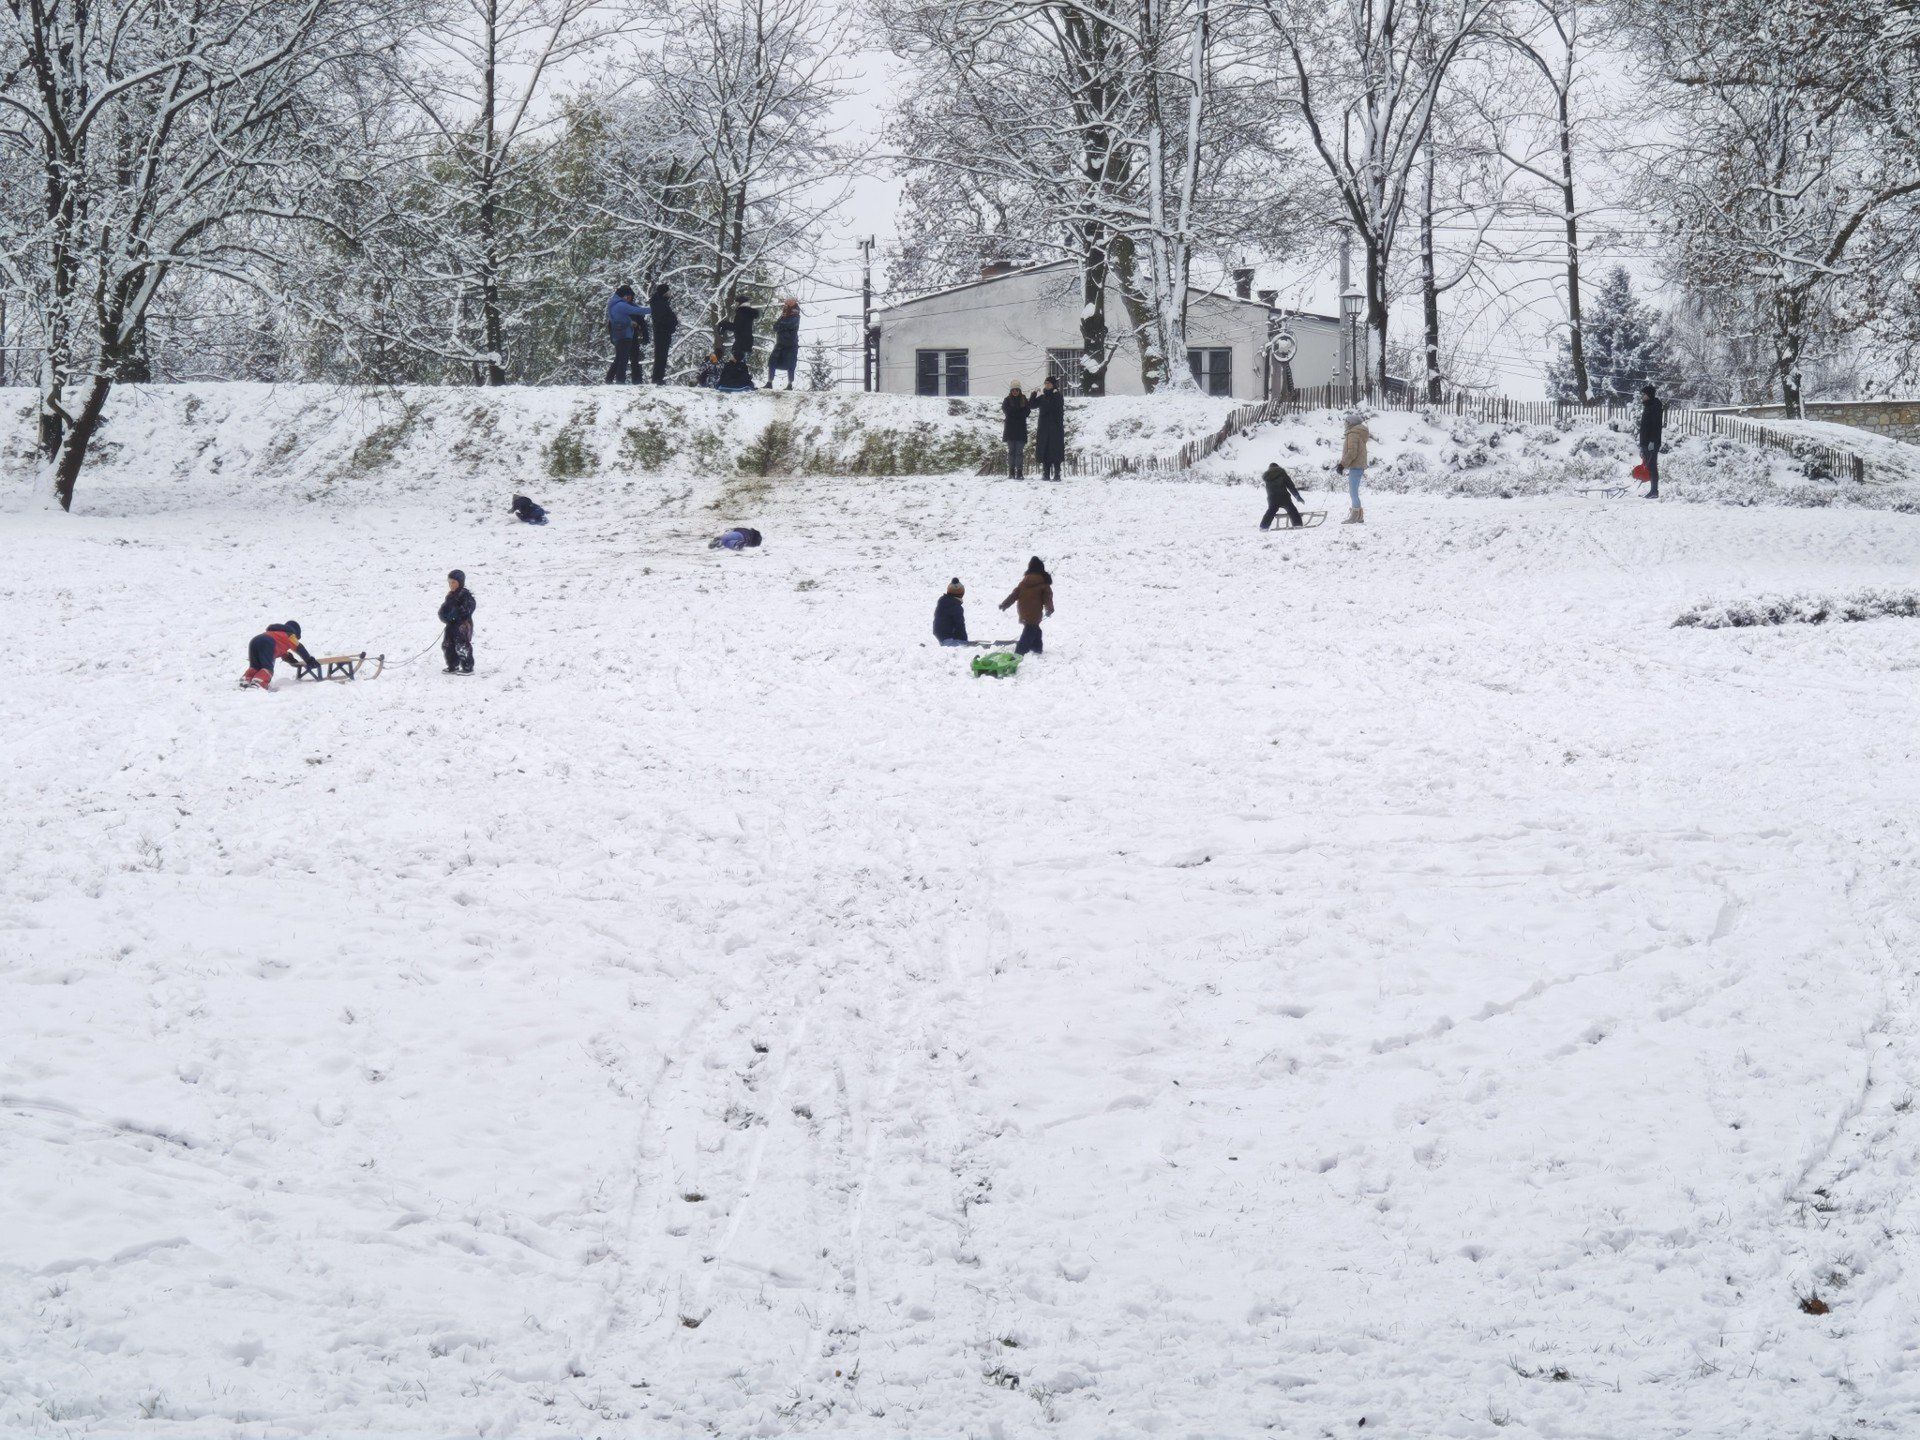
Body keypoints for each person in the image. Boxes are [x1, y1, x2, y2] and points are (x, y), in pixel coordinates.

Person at [999, 556, 1054, 655]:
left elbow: (1014, 595)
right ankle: (1019, 653)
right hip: (1035, 612)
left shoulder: (1024, 582)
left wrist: (1005, 604)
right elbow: (1048, 598)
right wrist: (1050, 609)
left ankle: (1036, 649)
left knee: (1035, 630)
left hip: (1023, 611)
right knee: (1029, 632)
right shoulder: (1043, 583)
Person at [241, 620, 318, 689]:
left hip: (255, 641)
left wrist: (291, 659)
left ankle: (245, 680)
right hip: (267, 643)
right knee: (267, 668)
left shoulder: (277, 633)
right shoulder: (290, 635)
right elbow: (299, 647)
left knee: (255, 666)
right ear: (296, 633)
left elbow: (282, 652)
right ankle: (258, 683)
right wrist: (309, 660)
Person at [605, 286, 650, 385]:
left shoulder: (616, 304)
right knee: (622, 359)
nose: (629, 299)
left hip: (623, 335)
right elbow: (639, 311)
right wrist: (654, 309)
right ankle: (619, 381)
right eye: (628, 296)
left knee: (622, 358)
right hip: (624, 335)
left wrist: (630, 323)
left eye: (630, 297)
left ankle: (611, 379)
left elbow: (617, 320)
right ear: (623, 296)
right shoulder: (621, 305)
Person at [439, 569, 476, 674]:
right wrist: (445, 616)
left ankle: (468, 667)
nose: (451, 585)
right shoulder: (450, 596)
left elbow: (469, 608)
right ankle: (452, 665)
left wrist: (458, 614)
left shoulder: (465, 595)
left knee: (462, 645)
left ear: (460, 582)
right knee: (448, 644)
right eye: (450, 582)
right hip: (451, 625)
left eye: (454, 582)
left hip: (462, 625)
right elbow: (444, 610)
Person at [1032, 376, 1066, 482]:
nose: (1047, 385)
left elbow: (1050, 407)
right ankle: (1046, 473)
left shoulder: (1058, 396)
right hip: (1044, 429)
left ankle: (1057, 474)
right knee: (1045, 450)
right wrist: (1034, 394)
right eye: (1045, 383)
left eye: (1049, 383)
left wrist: (1048, 396)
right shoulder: (1042, 397)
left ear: (1053, 385)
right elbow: (1031, 405)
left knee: (1055, 451)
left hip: (1056, 429)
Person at [1338, 410, 1370, 524]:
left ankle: (1355, 516)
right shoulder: (1358, 433)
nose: (1345, 424)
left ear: (1350, 423)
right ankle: (1359, 516)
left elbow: (1352, 452)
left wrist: (1342, 464)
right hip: (1358, 465)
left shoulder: (1353, 433)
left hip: (1356, 465)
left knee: (1353, 492)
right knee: (1354, 491)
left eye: (1346, 422)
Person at [649, 282, 678, 385]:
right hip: (662, 333)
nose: (670, 293)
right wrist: (672, 323)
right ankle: (657, 378)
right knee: (661, 356)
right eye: (668, 291)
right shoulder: (659, 303)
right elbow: (663, 319)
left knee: (662, 356)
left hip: (663, 332)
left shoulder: (660, 302)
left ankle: (658, 377)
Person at [1638, 383, 1664, 499]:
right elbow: (1644, 427)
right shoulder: (1648, 406)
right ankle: (1652, 490)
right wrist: (1642, 444)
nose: (1642, 396)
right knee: (1649, 466)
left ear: (1649, 395)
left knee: (1652, 466)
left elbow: (1655, 426)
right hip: (1645, 442)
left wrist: (1652, 441)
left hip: (1651, 443)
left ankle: (1654, 491)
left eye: (1644, 394)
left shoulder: (1655, 407)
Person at [1260, 461, 1305, 529]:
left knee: (1271, 511)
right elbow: (1291, 486)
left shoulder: (1267, 477)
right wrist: (1297, 496)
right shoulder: (1282, 474)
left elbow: (1268, 490)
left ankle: (1263, 526)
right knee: (1292, 510)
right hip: (1284, 497)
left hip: (1272, 498)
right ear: (1278, 467)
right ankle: (1297, 524)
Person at [768, 299, 801, 390]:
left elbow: (790, 325)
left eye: (788, 302)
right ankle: (769, 382)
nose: (786, 304)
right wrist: (782, 325)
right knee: (772, 362)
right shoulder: (783, 315)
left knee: (791, 365)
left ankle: (790, 384)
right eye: (786, 303)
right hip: (780, 343)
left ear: (793, 303)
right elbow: (775, 327)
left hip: (791, 344)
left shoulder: (796, 315)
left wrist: (781, 325)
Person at [1001, 383, 1031, 478]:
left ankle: (1019, 472)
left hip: (1021, 430)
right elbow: (1006, 411)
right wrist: (1018, 412)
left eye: (1016, 390)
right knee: (1011, 452)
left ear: (1019, 390)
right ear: (1011, 391)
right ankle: (1011, 472)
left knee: (1019, 452)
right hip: (1010, 430)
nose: (1015, 392)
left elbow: (1027, 412)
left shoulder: (1024, 400)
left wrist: (1015, 412)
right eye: (1013, 390)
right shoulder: (1007, 400)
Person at [933, 579, 969, 645]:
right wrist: (965, 642)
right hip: (949, 637)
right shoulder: (956, 607)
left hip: (940, 636)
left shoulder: (943, 602)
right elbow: (960, 625)